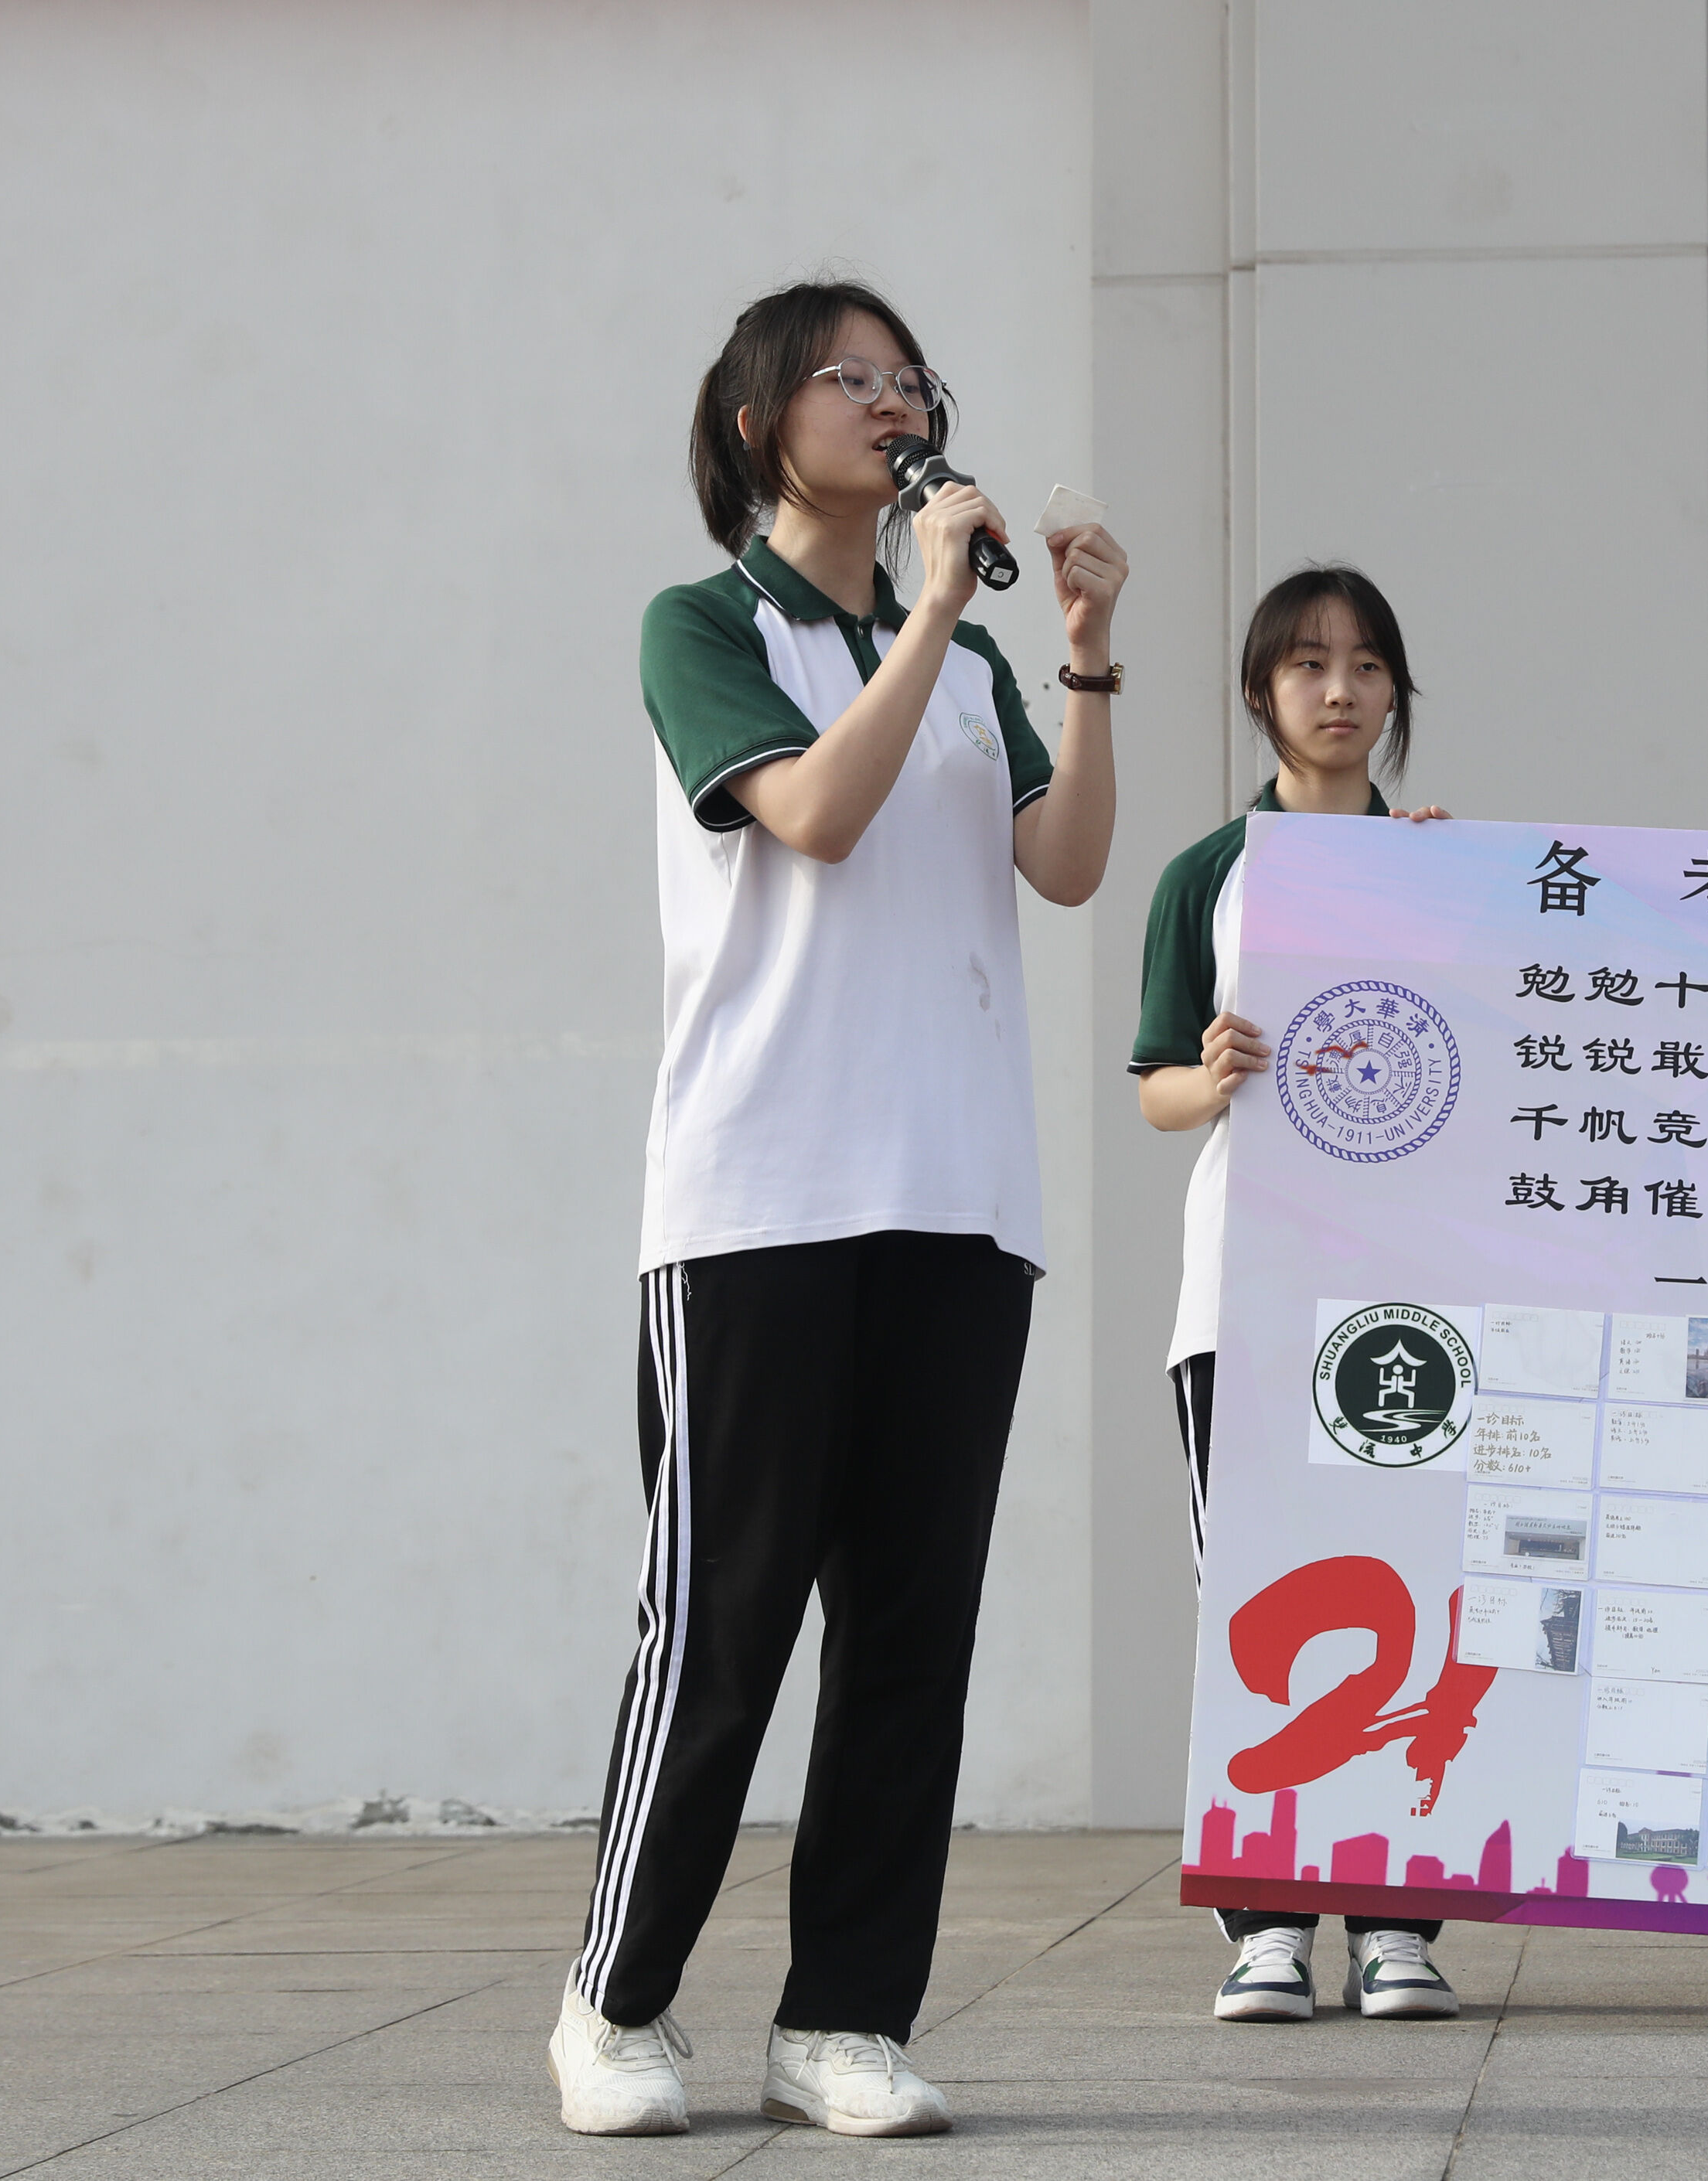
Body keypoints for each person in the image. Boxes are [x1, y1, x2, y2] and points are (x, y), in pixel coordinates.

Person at [549, 281, 1128, 2139]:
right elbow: (810, 812)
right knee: (720, 1623)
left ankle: (843, 2019)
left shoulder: (965, 658)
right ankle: (614, 2004)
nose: (894, 405)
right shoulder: (704, 624)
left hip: (957, 1196)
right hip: (758, 1195)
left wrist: (1083, 660)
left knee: (910, 1637)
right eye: (848, 377)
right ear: (755, 423)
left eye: (910, 380)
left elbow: (1064, 863)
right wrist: (933, 613)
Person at [1127, 566, 1460, 2027]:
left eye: (1367, 663)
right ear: (1261, 690)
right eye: (1310, 663)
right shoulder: (1208, 872)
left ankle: (1397, 1919)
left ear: (1396, 694)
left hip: (1411, 1302)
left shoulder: (1448, 864)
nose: (1340, 689)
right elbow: (1156, 1090)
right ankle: (1267, 1922)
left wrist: (1466, 901)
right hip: (1247, 1290)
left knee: (1414, 1585)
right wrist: (1214, 1071)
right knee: (1255, 1598)